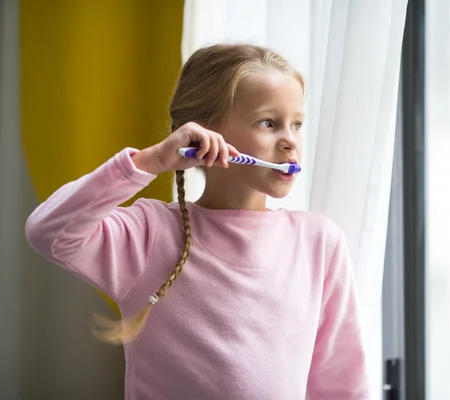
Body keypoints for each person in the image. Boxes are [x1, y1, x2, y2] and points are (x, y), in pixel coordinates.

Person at [25, 43, 369, 400]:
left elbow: (341, 384)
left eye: (296, 124)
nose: (290, 142)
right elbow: (48, 231)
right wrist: (148, 161)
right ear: (203, 133)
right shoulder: (149, 235)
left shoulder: (319, 242)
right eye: (268, 123)